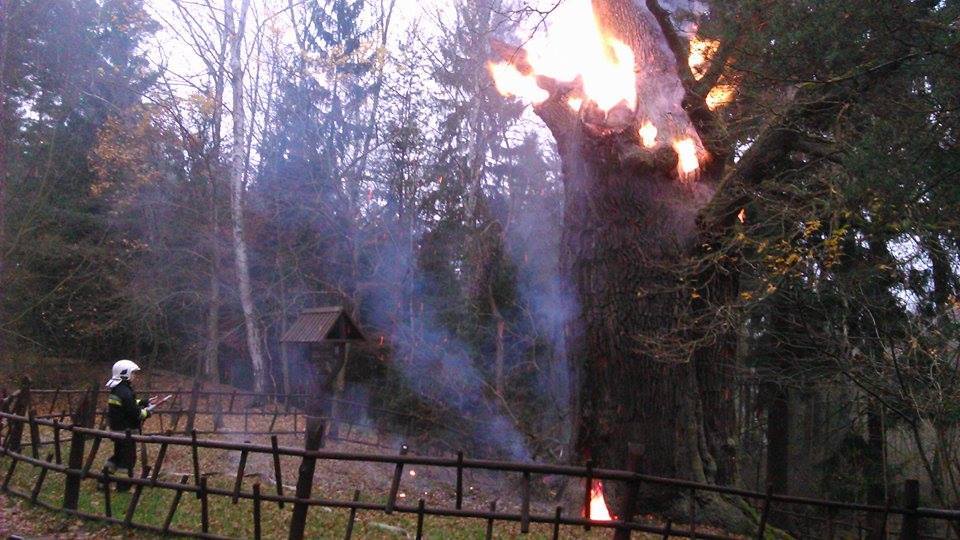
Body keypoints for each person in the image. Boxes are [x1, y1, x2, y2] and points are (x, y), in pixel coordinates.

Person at [102, 359, 156, 492]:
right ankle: (123, 487)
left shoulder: (119, 390)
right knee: (128, 460)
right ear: (125, 374)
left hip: (117, 430)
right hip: (126, 432)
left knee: (118, 456)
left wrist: (144, 401)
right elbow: (135, 413)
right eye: (133, 373)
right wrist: (147, 412)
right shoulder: (125, 392)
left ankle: (103, 481)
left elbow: (129, 404)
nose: (134, 376)